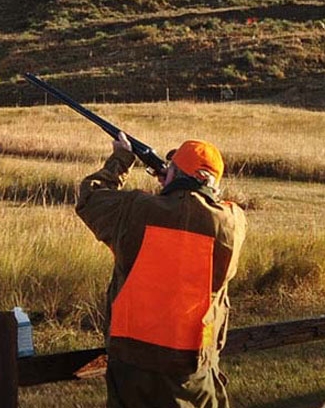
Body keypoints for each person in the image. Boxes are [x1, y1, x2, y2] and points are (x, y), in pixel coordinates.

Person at [76, 132, 246, 408]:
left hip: (134, 362)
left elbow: (90, 198)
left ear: (177, 175)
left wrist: (121, 159)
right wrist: (175, 186)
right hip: (194, 365)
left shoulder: (137, 209)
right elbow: (197, 208)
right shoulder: (232, 223)